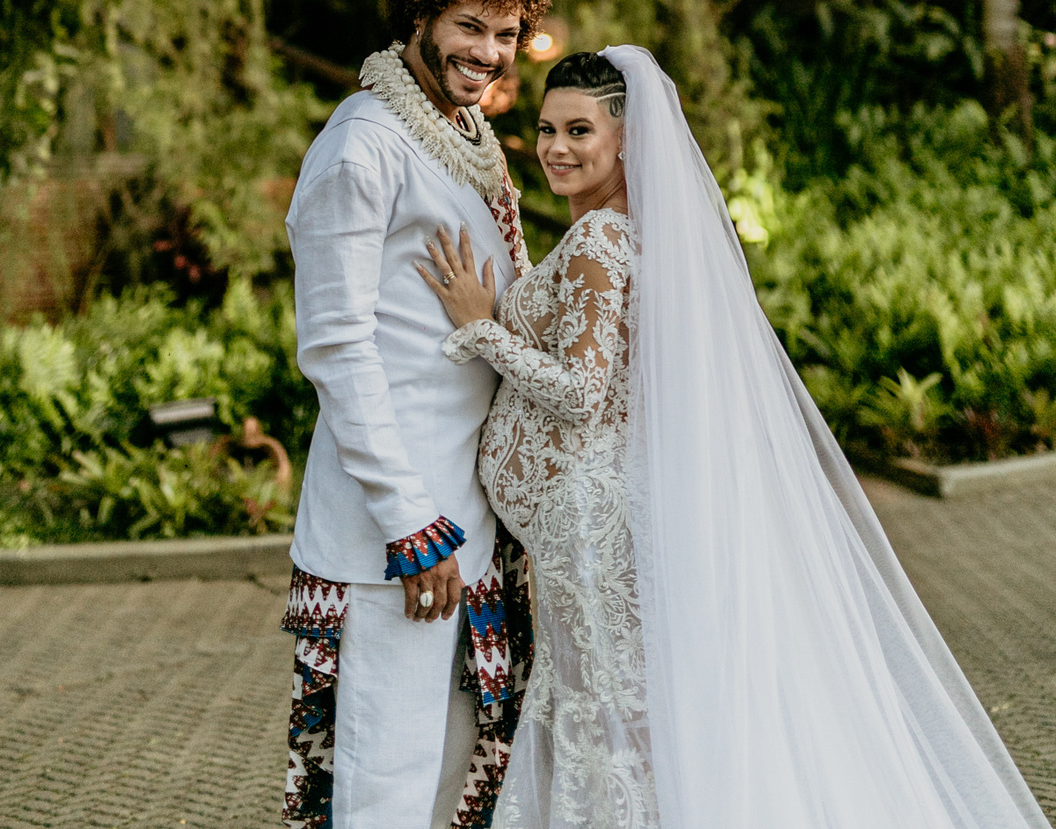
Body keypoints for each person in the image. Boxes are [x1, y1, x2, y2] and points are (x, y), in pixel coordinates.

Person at [423, 46, 1052, 829]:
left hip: (590, 523)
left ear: (627, 141)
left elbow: (582, 395)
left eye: (580, 129)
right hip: (582, 525)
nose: (556, 147)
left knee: (609, 720)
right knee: (619, 713)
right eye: (548, 128)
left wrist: (483, 329)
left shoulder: (597, 243)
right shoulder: (634, 236)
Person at [279, 0, 550, 829]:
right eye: (469, 25)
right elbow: (335, 345)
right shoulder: (363, 145)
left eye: (508, 33)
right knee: (382, 779)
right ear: (421, 17)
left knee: (447, 776)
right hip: (398, 531)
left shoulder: (464, 134)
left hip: (464, 516)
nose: (489, 51)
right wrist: (409, 521)